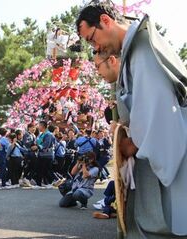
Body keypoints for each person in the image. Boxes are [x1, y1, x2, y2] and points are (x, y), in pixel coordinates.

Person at [77, 1, 187, 238]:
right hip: (156, 151)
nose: (95, 46)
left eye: (92, 38)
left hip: (171, 152)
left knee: (168, 224)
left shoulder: (142, 49)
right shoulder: (132, 53)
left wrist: (130, 143)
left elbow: (157, 110)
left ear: (106, 21)